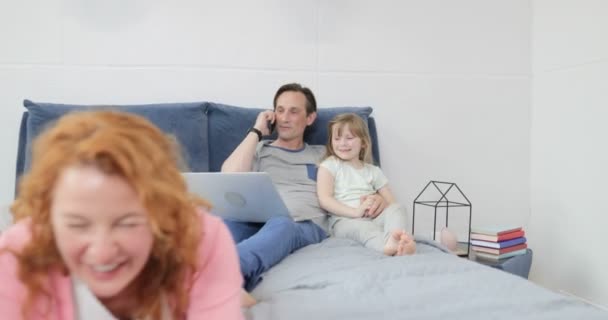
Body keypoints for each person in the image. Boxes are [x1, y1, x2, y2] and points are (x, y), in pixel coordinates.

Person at [0, 111, 243, 319]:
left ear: (162, 213)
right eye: (77, 224)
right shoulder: (20, 254)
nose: (101, 252)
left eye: (127, 223)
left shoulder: (201, 239)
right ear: (48, 216)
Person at [221, 83, 388, 305]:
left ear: (310, 118)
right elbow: (229, 177)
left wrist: (378, 198)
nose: (284, 118)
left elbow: (363, 179)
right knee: (224, 225)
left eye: (293, 111)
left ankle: (224, 276)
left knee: (282, 224)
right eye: (279, 110)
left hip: (302, 224)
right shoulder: (260, 149)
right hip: (256, 220)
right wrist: (257, 131)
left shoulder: (326, 155)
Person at [317, 113, 416, 256]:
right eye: (337, 138)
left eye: (349, 138)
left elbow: (391, 202)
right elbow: (325, 199)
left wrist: (379, 203)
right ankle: (387, 247)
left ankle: (398, 241)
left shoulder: (373, 171)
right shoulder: (330, 165)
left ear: (363, 142)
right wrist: (355, 212)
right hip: (345, 221)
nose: (342, 143)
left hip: (374, 218)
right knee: (365, 230)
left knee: (398, 208)